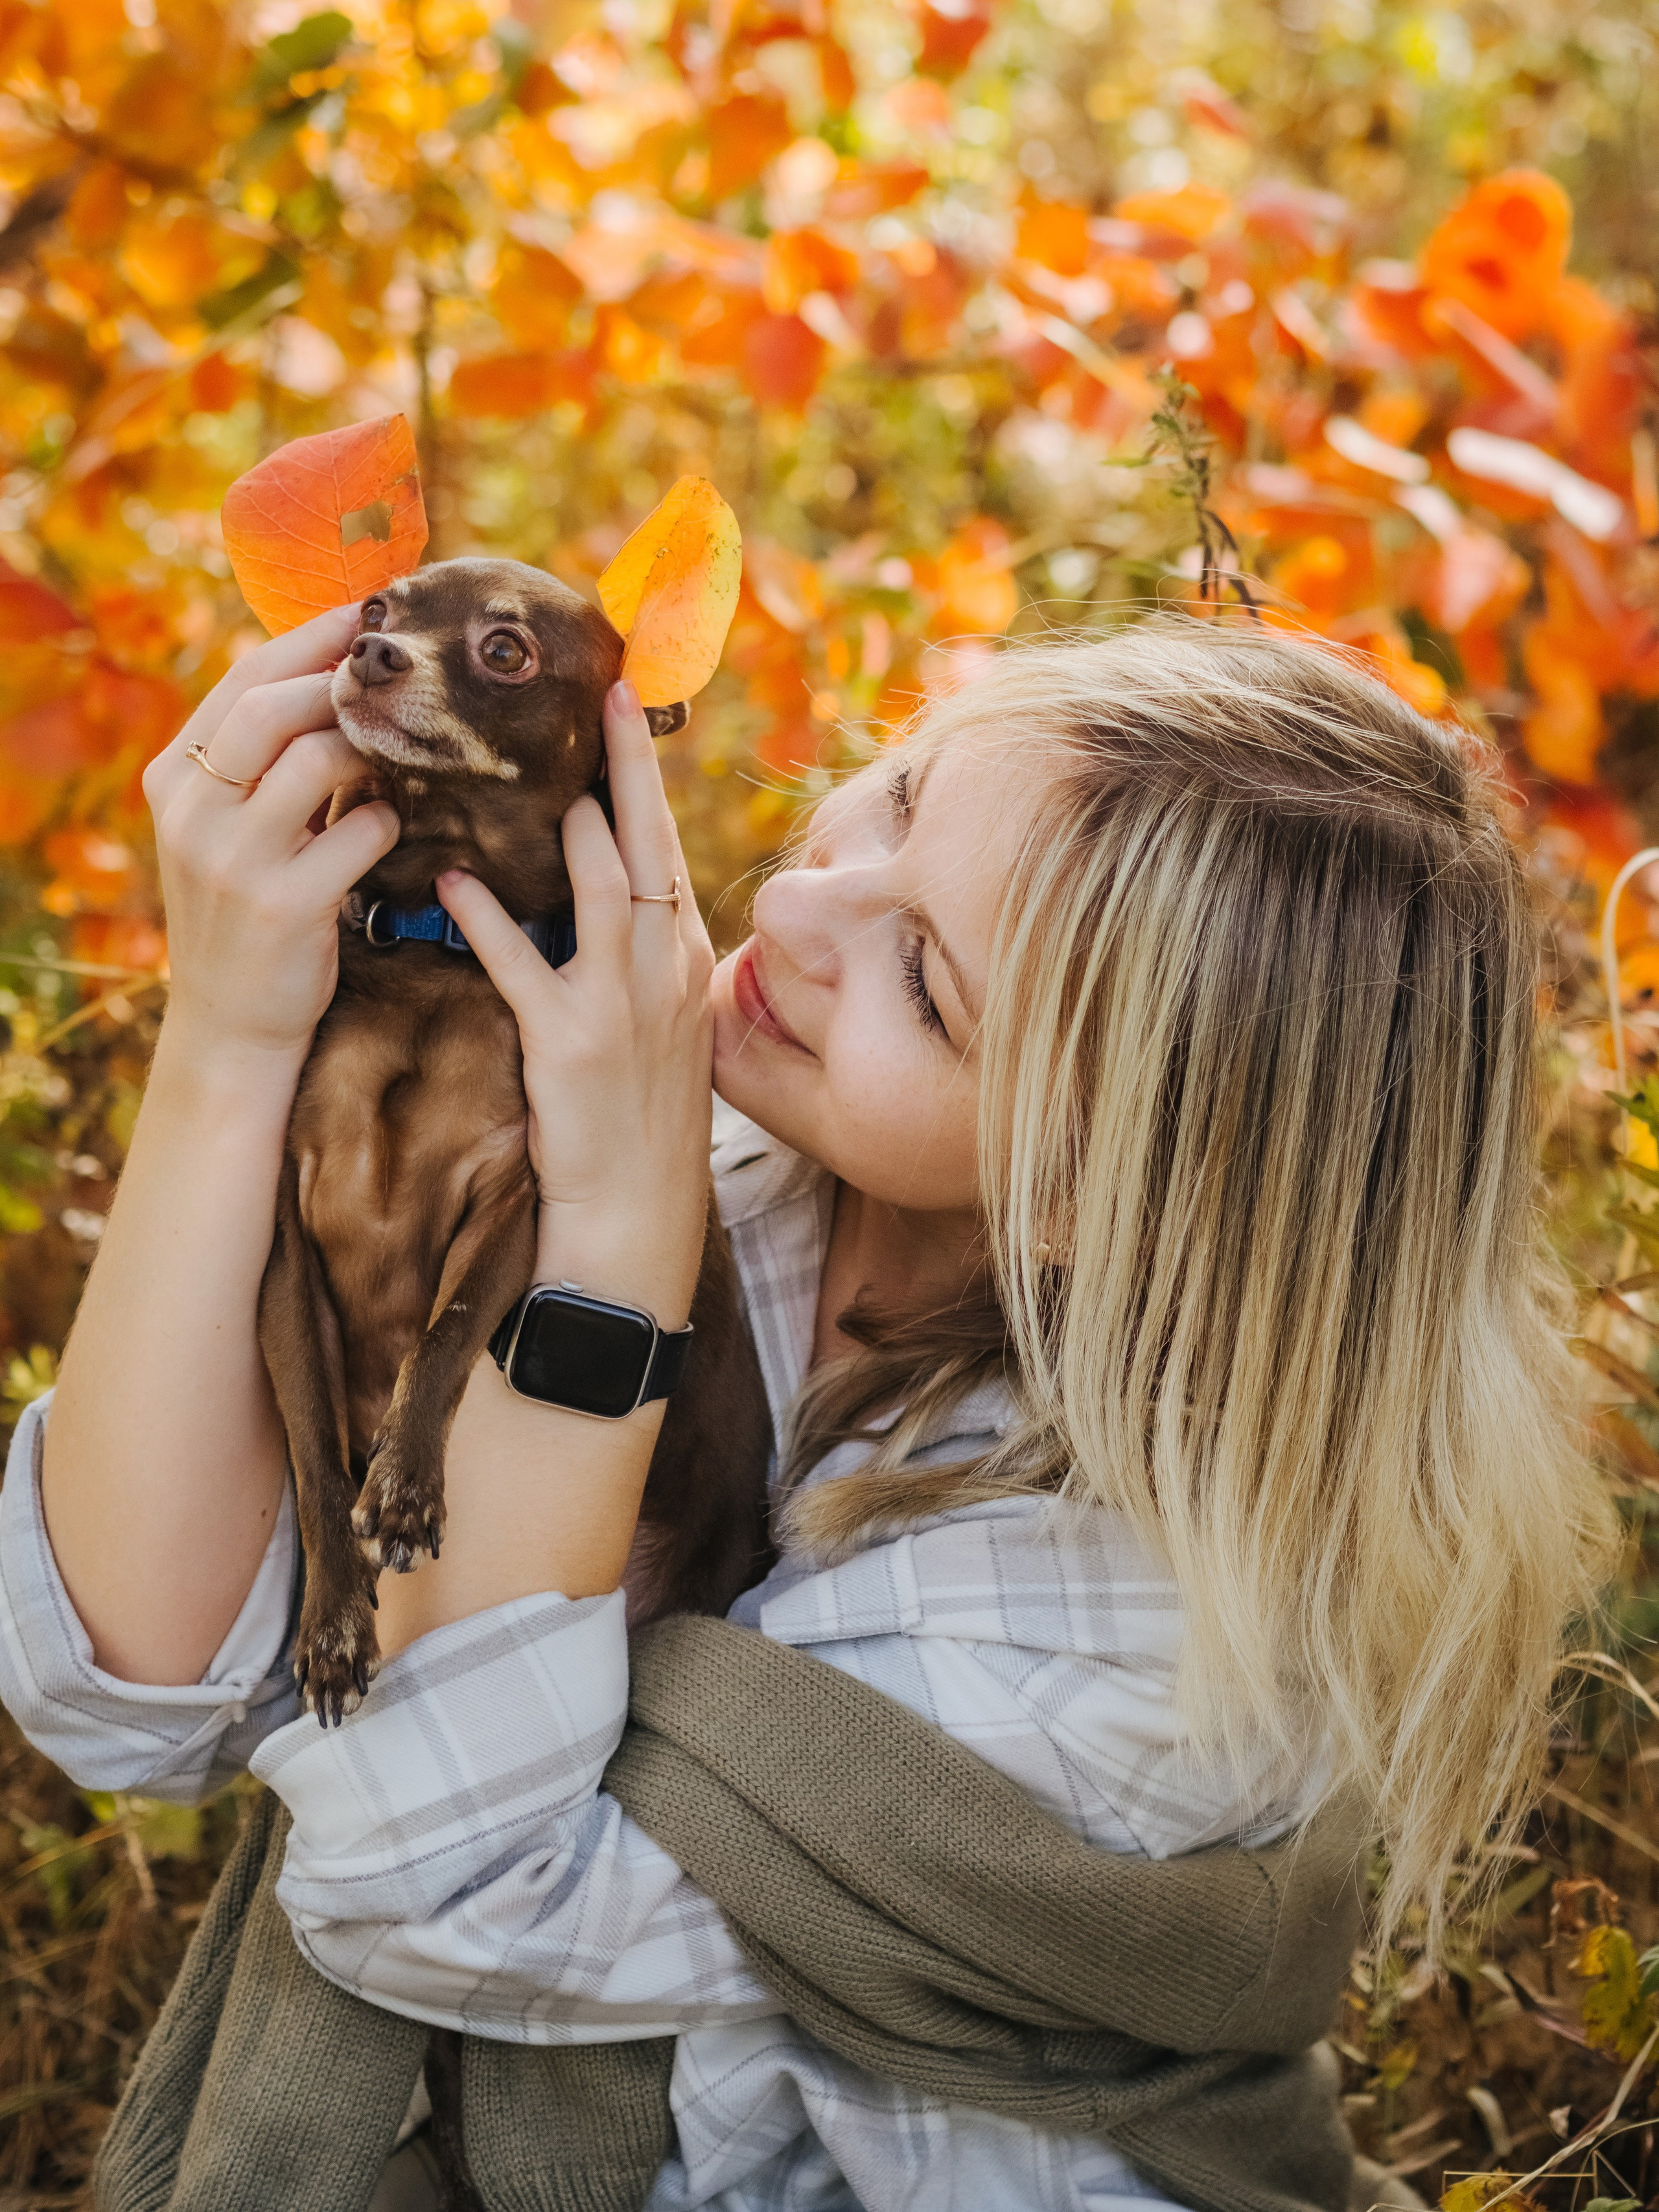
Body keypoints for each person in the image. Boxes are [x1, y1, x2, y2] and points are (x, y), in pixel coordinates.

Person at [0, 607, 1614, 2211]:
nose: (795, 899)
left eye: (922, 982)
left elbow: (430, 1897)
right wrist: (231, 1038)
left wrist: (617, 1252)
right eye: (898, 797)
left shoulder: (1132, 1633)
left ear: (1092, 1193)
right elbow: (128, 1694)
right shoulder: (756, 1177)